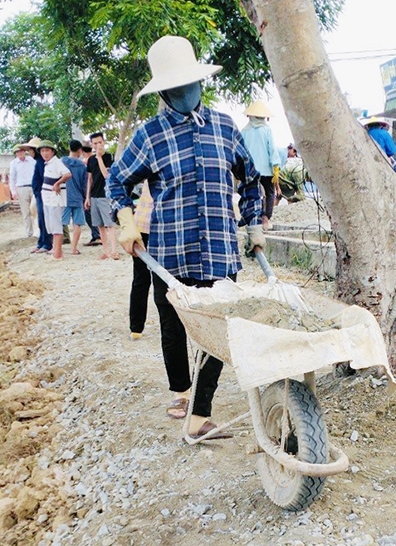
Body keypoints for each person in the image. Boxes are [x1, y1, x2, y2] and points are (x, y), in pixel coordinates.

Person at [106, 35, 265, 440]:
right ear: (162, 92)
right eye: (173, 88)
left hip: (219, 249)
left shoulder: (226, 128)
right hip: (169, 253)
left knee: (219, 328)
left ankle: (200, 413)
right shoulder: (150, 135)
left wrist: (254, 224)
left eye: (188, 84)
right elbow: (116, 182)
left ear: (201, 83)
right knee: (175, 328)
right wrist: (125, 220)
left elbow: (250, 181)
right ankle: (181, 391)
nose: (182, 92)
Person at [241, 99, 281, 231]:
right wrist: (275, 167)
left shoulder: (244, 131)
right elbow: (272, 150)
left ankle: (251, 219)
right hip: (265, 170)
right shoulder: (266, 130)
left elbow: (240, 151)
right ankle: (265, 219)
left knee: (251, 193)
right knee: (270, 193)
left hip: (250, 170)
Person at [86, 132, 120, 259]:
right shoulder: (90, 160)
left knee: (109, 224)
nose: (98, 145)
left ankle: (114, 250)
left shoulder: (109, 157)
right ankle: (106, 251)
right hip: (94, 195)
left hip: (105, 195)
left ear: (104, 142)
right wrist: (87, 197)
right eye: (95, 143)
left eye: (100, 142)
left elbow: (106, 175)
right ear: (92, 144)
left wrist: (99, 157)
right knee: (100, 225)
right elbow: (89, 179)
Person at [38, 140, 72, 260]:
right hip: (47, 199)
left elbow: (67, 174)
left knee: (56, 226)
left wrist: (57, 183)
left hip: (55, 199)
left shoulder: (57, 162)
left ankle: (57, 254)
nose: (45, 153)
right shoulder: (48, 164)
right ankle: (57, 251)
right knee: (51, 226)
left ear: (52, 151)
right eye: (42, 151)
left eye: (47, 150)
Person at [129, 182, 153, 341]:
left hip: (143, 223)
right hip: (149, 225)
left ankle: (136, 328)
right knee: (143, 278)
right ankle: (136, 326)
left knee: (141, 279)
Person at [24, 137, 53, 254]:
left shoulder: (41, 162)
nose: (29, 152)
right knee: (41, 220)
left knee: (44, 220)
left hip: (42, 195)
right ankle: (41, 243)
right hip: (39, 194)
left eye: (31, 149)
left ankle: (46, 244)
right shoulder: (38, 162)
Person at [61, 140, 88, 255]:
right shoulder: (82, 165)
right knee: (77, 223)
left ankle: (56, 248)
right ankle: (73, 248)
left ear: (69, 148)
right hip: (77, 198)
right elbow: (84, 184)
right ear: (79, 150)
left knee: (61, 223)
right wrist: (85, 197)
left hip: (63, 196)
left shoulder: (61, 162)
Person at [8, 143, 36, 237]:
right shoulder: (13, 164)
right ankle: (29, 233)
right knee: (26, 212)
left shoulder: (32, 161)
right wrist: (13, 192)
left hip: (33, 187)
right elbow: (12, 178)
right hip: (21, 188)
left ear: (24, 151)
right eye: (17, 152)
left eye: (21, 151)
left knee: (36, 210)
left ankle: (38, 231)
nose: (19, 153)